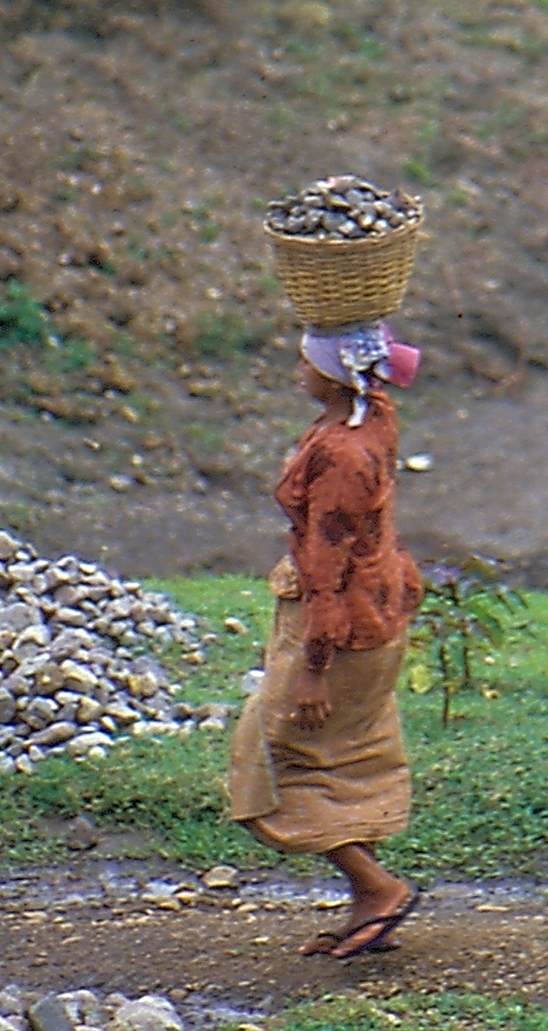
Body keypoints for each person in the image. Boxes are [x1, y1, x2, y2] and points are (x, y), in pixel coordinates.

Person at [224, 322, 427, 958]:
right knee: (349, 754)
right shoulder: (372, 419)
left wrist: (313, 667)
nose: (298, 373)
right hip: (381, 609)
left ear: (334, 377)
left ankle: (377, 888)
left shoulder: (341, 455)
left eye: (306, 364)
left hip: (341, 629)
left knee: (272, 758)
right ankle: (370, 898)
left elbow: (326, 569)